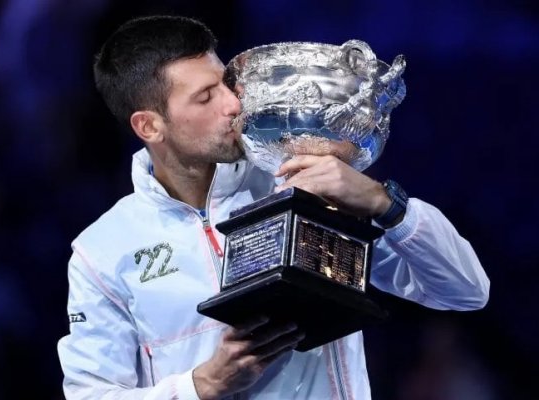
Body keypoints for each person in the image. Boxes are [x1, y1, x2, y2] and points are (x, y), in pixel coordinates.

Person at [57, 15, 489, 400]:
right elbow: (91, 393)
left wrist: (383, 203)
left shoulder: (302, 180)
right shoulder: (103, 251)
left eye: (226, 84)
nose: (232, 105)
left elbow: (465, 291)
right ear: (149, 125)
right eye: (205, 98)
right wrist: (201, 386)